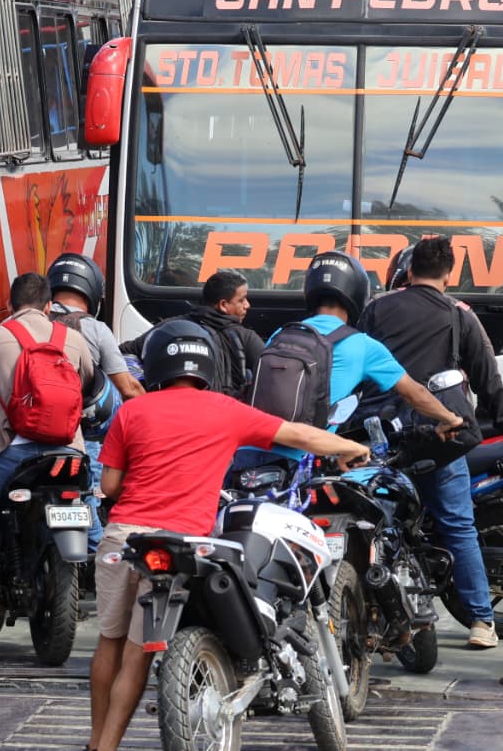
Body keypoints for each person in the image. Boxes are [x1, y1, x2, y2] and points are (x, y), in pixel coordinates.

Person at [87, 320, 371, 751]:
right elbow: (298, 434)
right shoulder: (225, 409)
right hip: (182, 541)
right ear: (206, 365)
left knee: (108, 642)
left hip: (124, 539)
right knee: (136, 653)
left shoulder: (132, 411)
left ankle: (97, 745)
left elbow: (109, 486)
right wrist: (350, 448)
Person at [359, 236, 503, 649]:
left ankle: (376, 620)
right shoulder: (460, 315)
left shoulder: (375, 310)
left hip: (385, 436)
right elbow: (488, 381)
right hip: (443, 437)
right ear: (450, 273)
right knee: (458, 525)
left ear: (407, 271)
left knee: (378, 527)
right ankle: (481, 622)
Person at [0, 273, 96, 612]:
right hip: (69, 451)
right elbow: (87, 384)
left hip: (9, 453)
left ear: (10, 305)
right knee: (90, 516)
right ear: (48, 306)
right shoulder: (73, 338)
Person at [235, 251, 464, 469]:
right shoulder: (363, 345)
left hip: (247, 452)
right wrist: (449, 419)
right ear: (357, 293)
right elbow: (415, 393)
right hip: (300, 462)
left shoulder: (281, 333)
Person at [46, 253, 142, 552]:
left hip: (28, 433)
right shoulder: (96, 329)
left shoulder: (24, 324)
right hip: (82, 436)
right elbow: (127, 387)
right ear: (93, 292)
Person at [120, 269, 265, 399]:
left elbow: (124, 353)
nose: (247, 305)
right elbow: (269, 373)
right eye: (241, 300)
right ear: (223, 305)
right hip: (228, 418)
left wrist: (143, 390)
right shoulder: (246, 337)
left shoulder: (171, 327)